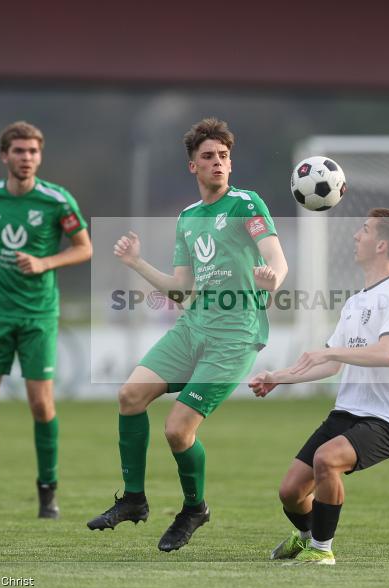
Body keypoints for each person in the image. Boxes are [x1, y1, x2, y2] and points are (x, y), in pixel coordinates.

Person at [87, 117, 288, 552]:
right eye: (208, 157)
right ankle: (134, 500)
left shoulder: (246, 204)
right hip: (192, 327)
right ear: (192, 166)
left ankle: (194, 508)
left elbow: (276, 259)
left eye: (224, 156)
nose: (218, 163)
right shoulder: (189, 218)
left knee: (178, 430)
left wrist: (271, 279)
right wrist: (138, 263)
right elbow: (181, 289)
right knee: (129, 396)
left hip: (234, 336)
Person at [249, 208, 389, 565]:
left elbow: (387, 354)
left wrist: (335, 350)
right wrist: (277, 377)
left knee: (327, 460)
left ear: (382, 244)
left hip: (385, 419)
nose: (357, 236)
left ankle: (322, 552)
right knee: (291, 491)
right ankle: (306, 537)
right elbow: (328, 363)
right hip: (346, 413)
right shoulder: (356, 301)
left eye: (366, 230)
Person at [0, 121, 92, 518]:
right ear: (5, 156)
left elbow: (84, 248)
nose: (27, 158)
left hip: (37, 315)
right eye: (19, 151)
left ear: (40, 156)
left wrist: (45, 262)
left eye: (33, 152)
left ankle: (47, 492)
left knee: (41, 404)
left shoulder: (57, 200)